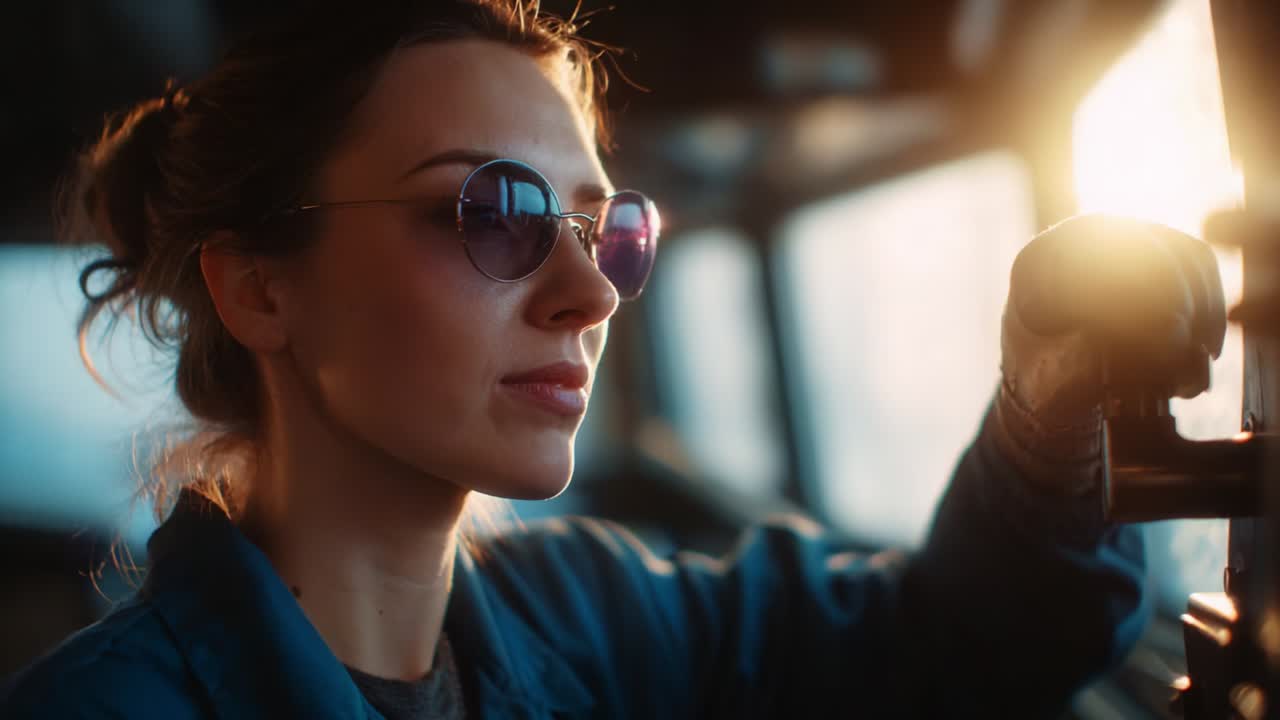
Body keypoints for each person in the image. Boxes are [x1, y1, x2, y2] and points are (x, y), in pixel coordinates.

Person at [0, 1, 1227, 718]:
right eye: (490, 212)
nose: (590, 293)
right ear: (260, 288)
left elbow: (966, 645)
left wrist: (1043, 418)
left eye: (607, 228)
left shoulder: (583, 610)